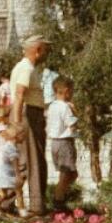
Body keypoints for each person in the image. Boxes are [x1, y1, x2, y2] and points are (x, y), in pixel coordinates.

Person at [10, 35, 49, 215]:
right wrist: (17, 122)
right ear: (38, 49)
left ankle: (6, 204)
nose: (47, 53)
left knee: (28, 161)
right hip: (28, 115)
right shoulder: (26, 68)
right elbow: (19, 95)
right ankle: (36, 206)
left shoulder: (26, 67)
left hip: (30, 114)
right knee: (32, 161)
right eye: (45, 49)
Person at [45, 77, 78, 213]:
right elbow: (73, 124)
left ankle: (60, 198)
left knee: (69, 174)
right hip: (64, 142)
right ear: (66, 91)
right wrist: (75, 111)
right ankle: (58, 201)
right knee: (67, 175)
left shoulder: (52, 106)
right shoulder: (65, 107)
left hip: (54, 143)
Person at [0, 105, 26, 218]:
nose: (7, 117)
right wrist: (17, 130)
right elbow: (9, 137)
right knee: (12, 189)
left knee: (10, 190)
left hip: (7, 159)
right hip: (1, 161)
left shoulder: (5, 126)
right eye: (5, 115)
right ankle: (19, 210)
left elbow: (17, 138)